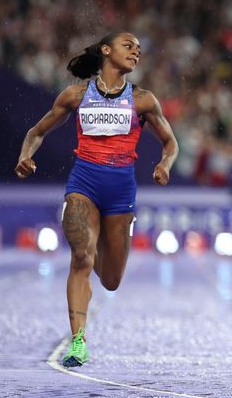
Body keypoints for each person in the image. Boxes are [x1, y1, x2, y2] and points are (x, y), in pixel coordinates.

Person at [14, 32, 178, 367]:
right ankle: (78, 342)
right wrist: (25, 156)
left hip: (121, 193)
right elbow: (36, 132)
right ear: (106, 50)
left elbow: (171, 143)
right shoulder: (75, 95)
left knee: (112, 280)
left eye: (139, 49)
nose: (136, 52)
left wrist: (164, 164)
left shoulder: (143, 100)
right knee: (81, 258)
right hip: (83, 185)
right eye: (128, 46)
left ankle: (99, 247)